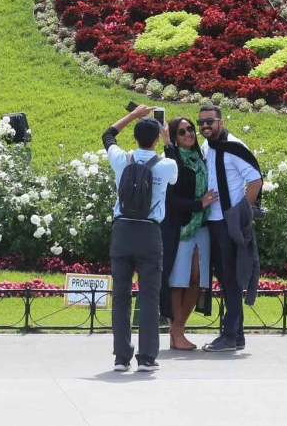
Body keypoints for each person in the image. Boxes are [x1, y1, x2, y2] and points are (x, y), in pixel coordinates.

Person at [102, 104, 178, 373]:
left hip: (122, 230)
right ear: (158, 138)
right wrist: (168, 143)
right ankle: (146, 358)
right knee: (149, 296)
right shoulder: (166, 164)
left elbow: (108, 135)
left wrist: (133, 115)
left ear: (134, 137)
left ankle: (121, 358)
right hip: (149, 232)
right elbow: (174, 178)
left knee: (121, 295)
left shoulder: (122, 159)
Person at [196, 103, 262, 353]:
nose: (205, 126)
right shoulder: (207, 146)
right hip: (212, 220)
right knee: (225, 278)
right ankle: (237, 335)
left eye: (210, 121)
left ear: (221, 122)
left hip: (229, 222)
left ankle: (228, 335)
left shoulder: (234, 147)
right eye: (201, 122)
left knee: (232, 279)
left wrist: (242, 211)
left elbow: (256, 179)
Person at [161, 115, 211, 352]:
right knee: (178, 281)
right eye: (182, 132)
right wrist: (198, 204)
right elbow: (171, 200)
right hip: (180, 228)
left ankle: (178, 329)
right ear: (175, 138)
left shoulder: (201, 159)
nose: (189, 133)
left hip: (201, 226)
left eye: (191, 129)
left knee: (197, 279)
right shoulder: (173, 161)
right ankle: (176, 331)